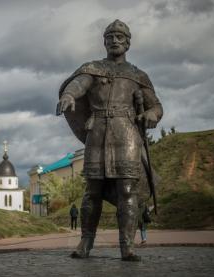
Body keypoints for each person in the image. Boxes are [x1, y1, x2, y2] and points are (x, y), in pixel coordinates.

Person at [57, 19, 163, 261]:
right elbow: (77, 84)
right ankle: (85, 242)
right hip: (98, 132)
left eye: (120, 37)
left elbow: (156, 106)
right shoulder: (92, 68)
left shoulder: (137, 75)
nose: (115, 40)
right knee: (91, 190)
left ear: (128, 43)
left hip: (127, 135)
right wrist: (69, 95)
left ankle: (127, 246)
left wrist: (150, 114)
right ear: (104, 42)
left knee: (127, 190)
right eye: (110, 37)